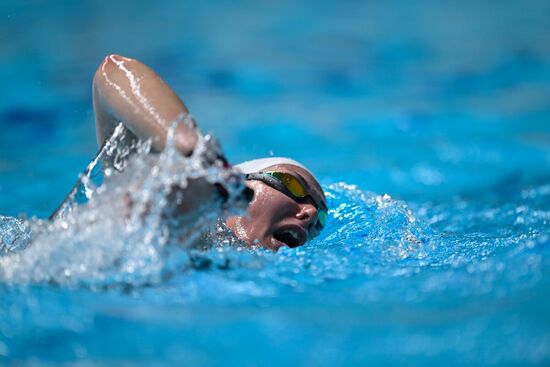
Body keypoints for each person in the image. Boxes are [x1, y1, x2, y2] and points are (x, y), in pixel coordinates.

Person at [90, 54, 327, 251]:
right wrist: (188, 147)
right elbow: (113, 72)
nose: (312, 213)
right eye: (293, 186)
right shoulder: (167, 210)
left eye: (321, 222)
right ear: (236, 182)